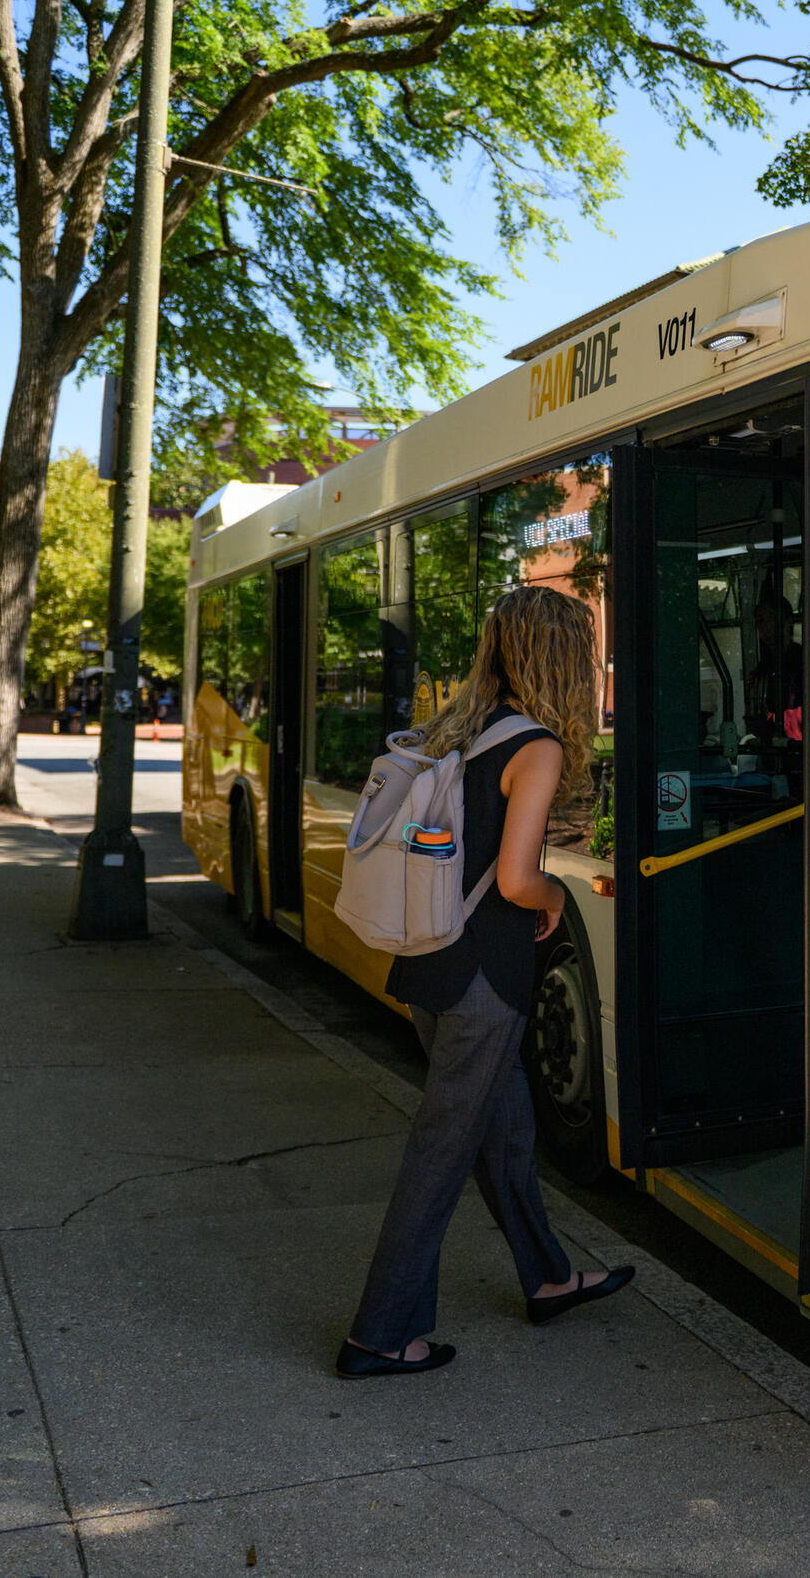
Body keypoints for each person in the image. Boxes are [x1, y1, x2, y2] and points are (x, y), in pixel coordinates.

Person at [337, 586, 633, 1379]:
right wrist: (558, 896)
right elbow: (514, 878)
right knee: (442, 1148)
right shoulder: (537, 747)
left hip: (427, 962)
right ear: (563, 659)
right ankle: (379, 1332)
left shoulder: (458, 731)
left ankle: (548, 1276)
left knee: (506, 1131)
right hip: (483, 978)